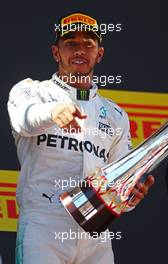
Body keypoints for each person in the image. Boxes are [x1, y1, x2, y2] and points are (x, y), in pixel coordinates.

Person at [7, 12, 154, 264]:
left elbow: (117, 183)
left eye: (88, 44)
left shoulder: (117, 115)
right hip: (44, 224)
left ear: (99, 54)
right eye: (70, 43)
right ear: (56, 52)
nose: (79, 50)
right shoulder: (32, 91)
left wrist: (130, 194)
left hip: (96, 232)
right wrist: (53, 112)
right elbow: (24, 120)